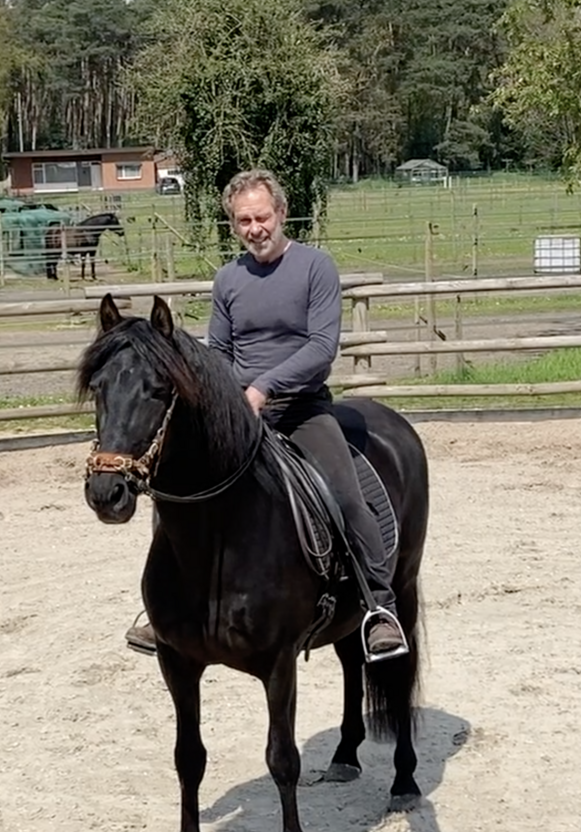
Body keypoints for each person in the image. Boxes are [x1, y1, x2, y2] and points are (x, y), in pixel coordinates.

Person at [124, 168, 408, 662]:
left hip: (302, 410)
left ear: (280, 213)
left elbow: (322, 347)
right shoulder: (228, 279)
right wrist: (225, 397)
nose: (254, 228)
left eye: (261, 217)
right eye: (242, 221)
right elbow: (221, 352)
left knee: (345, 496)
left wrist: (265, 388)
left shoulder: (316, 267)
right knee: (176, 491)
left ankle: (378, 608)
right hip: (240, 413)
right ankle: (162, 609)